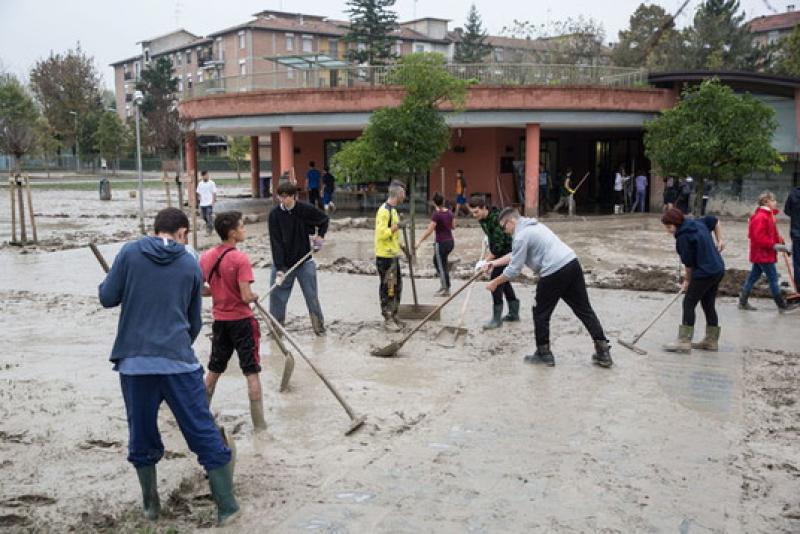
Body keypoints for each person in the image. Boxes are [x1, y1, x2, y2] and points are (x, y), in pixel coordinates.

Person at [98, 207, 238, 526]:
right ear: (182, 233)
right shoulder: (190, 264)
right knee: (203, 431)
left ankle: (151, 507)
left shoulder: (129, 253)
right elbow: (193, 322)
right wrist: (177, 346)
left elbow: (107, 297)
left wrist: (113, 284)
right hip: (179, 364)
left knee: (142, 434)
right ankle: (228, 508)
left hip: (135, 365)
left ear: (154, 229)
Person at [484, 208, 612, 368]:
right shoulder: (534, 226)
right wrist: (494, 263)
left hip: (553, 271)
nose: (505, 231)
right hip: (572, 263)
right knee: (584, 309)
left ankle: (543, 353)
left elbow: (514, 269)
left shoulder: (521, 236)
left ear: (511, 221)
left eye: (504, 227)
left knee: (540, 312)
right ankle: (603, 351)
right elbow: (515, 255)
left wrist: (495, 282)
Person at [199, 211, 266, 432]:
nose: (244, 230)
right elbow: (246, 296)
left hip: (220, 322)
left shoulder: (207, 256)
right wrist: (254, 296)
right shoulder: (240, 259)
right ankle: (260, 427)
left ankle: (199, 416)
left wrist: (218, 291)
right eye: (242, 226)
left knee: (214, 370)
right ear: (232, 233)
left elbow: (199, 289)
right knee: (251, 372)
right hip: (242, 322)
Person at [660, 208, 725, 353]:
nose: (668, 231)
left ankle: (684, 341)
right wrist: (720, 240)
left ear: (677, 223)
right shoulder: (697, 223)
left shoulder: (683, 238)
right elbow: (715, 221)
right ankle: (711, 341)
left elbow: (688, 265)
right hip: (718, 269)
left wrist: (687, 281)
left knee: (689, 302)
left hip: (704, 272)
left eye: (669, 227)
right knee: (708, 304)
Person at [268, 181, 329, 335]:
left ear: (294, 196)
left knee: (311, 296)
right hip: (284, 264)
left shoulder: (305, 209)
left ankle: (319, 328)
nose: (283, 200)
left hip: (304, 261)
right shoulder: (274, 215)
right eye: (280, 197)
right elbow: (276, 242)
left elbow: (324, 220)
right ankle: (276, 330)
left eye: (286, 197)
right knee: (277, 297)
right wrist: (279, 268)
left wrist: (320, 237)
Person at [468, 194, 520, 328]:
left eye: (476, 212)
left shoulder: (497, 219)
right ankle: (514, 313)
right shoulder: (482, 219)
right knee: (504, 281)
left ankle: (496, 320)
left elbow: (498, 247)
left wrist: (485, 262)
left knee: (495, 282)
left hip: (508, 252)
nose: (474, 215)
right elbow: (492, 239)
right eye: (472, 212)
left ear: (484, 208)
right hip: (498, 251)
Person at [738, 192, 795, 312]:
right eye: (773, 200)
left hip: (761, 254)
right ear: (766, 202)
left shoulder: (768, 215)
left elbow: (772, 234)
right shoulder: (761, 217)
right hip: (763, 254)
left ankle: (742, 302)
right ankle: (781, 306)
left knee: (753, 277)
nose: (776, 202)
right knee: (773, 279)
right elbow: (758, 238)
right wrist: (775, 246)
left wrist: (782, 243)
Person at [375, 181, 407, 331]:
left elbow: (393, 235)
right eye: (403, 193)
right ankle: (387, 318)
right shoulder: (384, 211)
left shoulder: (393, 211)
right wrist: (397, 226)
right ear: (398, 194)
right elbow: (382, 234)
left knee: (396, 286)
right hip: (385, 256)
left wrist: (402, 247)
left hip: (393, 254)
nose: (405, 196)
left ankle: (394, 314)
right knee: (388, 288)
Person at [416, 192, 455, 296]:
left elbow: (429, 231)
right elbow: (453, 227)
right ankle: (444, 285)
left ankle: (446, 289)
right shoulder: (450, 213)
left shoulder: (436, 215)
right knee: (440, 262)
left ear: (434, 203)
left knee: (440, 265)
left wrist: (419, 241)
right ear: (443, 201)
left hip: (441, 243)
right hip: (450, 242)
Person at [784, 184, 800, 290]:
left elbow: (787, 211)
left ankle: (798, 288)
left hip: (796, 233)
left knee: (797, 262)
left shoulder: (793, 193)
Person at [196, 170, 217, 236]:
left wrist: (213, 202)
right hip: (202, 203)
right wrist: (199, 199)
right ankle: (211, 224)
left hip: (209, 203)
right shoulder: (200, 183)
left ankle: (209, 231)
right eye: (205, 175)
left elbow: (214, 193)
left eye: (207, 175)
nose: (207, 176)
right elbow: (198, 192)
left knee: (209, 216)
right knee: (204, 217)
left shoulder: (212, 183)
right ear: (202, 176)